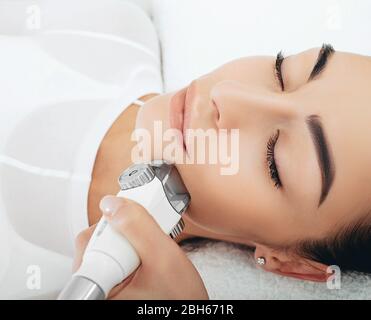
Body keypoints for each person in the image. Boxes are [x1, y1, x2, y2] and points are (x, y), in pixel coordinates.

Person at [74, 43, 371, 298]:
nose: (227, 94)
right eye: (282, 72)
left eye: (275, 159)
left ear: (293, 263)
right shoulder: (108, 38)